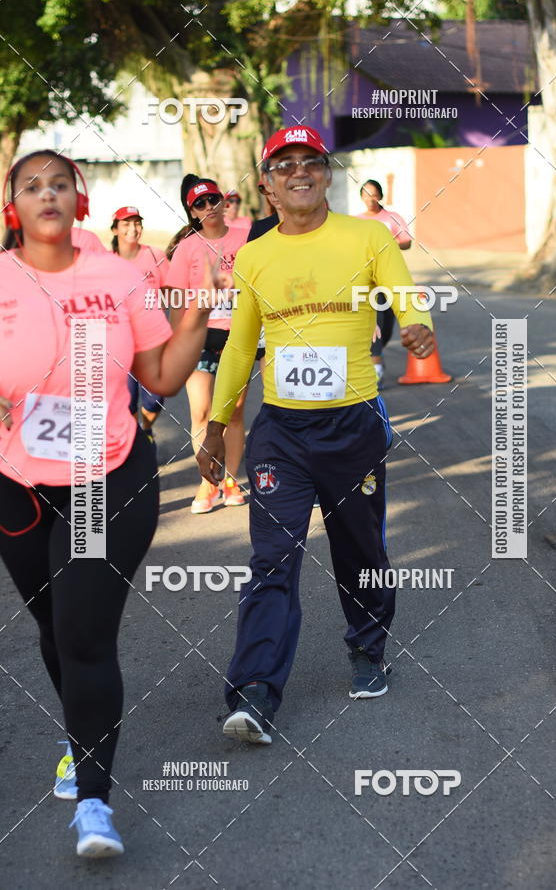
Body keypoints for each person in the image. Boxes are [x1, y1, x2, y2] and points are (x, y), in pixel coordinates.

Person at [0, 150, 211, 856]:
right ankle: (79, 733)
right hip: (17, 484)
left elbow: (162, 376)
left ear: (79, 200)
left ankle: (94, 802)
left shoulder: (119, 279)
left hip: (102, 476)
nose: (47, 194)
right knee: (53, 626)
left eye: (60, 183)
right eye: (31, 185)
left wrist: (199, 314)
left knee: (83, 633)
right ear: (13, 207)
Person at [198, 126, 434, 745]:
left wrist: (417, 325)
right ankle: (255, 690)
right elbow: (240, 346)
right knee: (271, 559)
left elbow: (404, 295)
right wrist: (217, 424)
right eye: (285, 165)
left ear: (327, 175)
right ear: (268, 185)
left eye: (311, 161)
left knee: (360, 548)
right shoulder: (254, 256)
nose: (299, 171)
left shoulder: (367, 237)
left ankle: (367, 647)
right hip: (281, 430)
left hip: (353, 423)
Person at [166, 175, 249, 514]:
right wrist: (176, 343)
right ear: (192, 211)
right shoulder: (187, 247)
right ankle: (208, 482)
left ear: (223, 201)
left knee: (233, 412)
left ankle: (231, 479)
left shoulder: (245, 237)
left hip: (237, 335)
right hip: (199, 336)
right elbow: (175, 299)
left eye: (213, 199)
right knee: (200, 411)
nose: (208, 207)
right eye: (199, 204)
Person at [111, 205, 169, 441]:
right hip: (120, 345)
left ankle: (145, 429)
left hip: (153, 344)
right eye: (126, 224)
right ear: (115, 229)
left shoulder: (156, 256)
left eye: (137, 223)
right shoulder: (106, 262)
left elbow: (172, 292)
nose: (133, 229)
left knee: (155, 398)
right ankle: (136, 437)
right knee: (127, 399)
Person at [356, 179, 413, 388]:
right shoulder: (356, 222)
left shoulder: (392, 218)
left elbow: (406, 242)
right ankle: (376, 366)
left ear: (380, 196)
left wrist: (390, 242)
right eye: (365, 194)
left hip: (390, 276)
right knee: (376, 319)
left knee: (387, 325)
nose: (369, 199)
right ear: (361, 197)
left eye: (373, 194)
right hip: (369, 279)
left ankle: (376, 352)